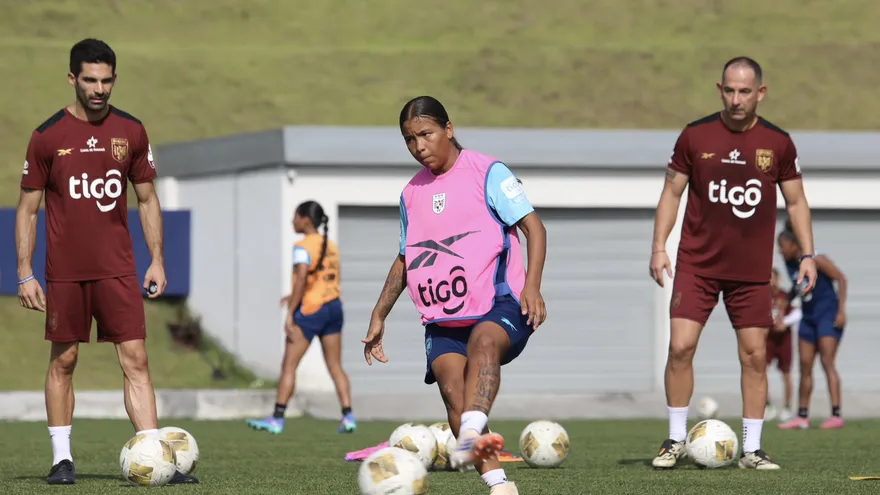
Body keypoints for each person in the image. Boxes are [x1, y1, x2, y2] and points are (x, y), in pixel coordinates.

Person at [14, 38, 196, 485]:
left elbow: (147, 200)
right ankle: (62, 459)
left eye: (107, 80)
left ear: (115, 78)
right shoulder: (47, 135)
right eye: (90, 80)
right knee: (65, 359)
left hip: (118, 268)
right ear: (72, 78)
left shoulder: (131, 131)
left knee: (136, 358)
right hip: (64, 273)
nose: (99, 89)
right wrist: (24, 272)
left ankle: (154, 456)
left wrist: (157, 260)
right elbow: (27, 210)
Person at [361, 96, 547, 495]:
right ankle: (499, 484)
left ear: (449, 128)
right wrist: (379, 314)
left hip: (500, 303)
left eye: (426, 134)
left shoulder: (488, 173)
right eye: (409, 140)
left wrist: (531, 285)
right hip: (443, 316)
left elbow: (535, 227)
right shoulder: (411, 194)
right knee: (450, 389)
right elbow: (405, 259)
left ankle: (472, 431)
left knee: (484, 342)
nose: (419, 147)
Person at [648, 56, 817, 470]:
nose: (737, 99)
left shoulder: (778, 143)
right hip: (697, 264)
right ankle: (674, 441)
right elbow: (672, 193)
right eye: (730, 90)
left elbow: (796, 202)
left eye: (745, 91)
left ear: (760, 93)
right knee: (680, 347)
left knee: (755, 356)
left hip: (752, 272)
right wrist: (658, 246)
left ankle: (752, 450)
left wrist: (809, 254)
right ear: (719, 90)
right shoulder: (695, 135)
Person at [247, 201, 356, 434]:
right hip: (334, 307)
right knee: (336, 366)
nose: (293, 221)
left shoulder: (302, 246)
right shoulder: (332, 246)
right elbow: (324, 279)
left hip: (310, 311)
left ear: (305, 219)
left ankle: (277, 417)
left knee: (289, 365)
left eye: (295, 216)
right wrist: (294, 295)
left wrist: (290, 312)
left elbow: (303, 278)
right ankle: (348, 416)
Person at [776, 229, 847, 429]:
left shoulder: (817, 259)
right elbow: (797, 287)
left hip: (827, 316)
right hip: (807, 318)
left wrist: (841, 311)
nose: (780, 252)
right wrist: (785, 304)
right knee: (805, 366)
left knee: (827, 362)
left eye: (782, 247)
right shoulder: (790, 264)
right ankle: (802, 416)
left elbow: (841, 278)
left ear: (793, 244)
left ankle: (836, 414)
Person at [764, 268, 801, 422]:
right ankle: (767, 405)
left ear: (778, 280)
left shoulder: (785, 296)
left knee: (786, 373)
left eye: (774, 278)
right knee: (762, 372)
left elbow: (798, 312)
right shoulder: (763, 297)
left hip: (783, 339)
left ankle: (787, 407)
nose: (771, 281)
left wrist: (785, 323)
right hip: (767, 339)